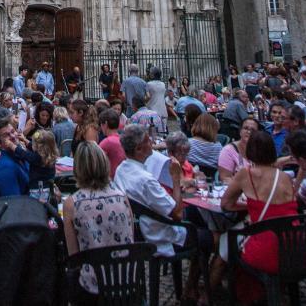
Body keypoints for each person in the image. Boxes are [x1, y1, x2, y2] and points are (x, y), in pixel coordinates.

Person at [114, 125, 213, 268]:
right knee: (213, 237)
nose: (152, 144)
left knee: (194, 213)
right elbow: (177, 214)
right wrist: (175, 178)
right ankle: (195, 283)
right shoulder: (145, 180)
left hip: (142, 232)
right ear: (139, 149)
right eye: (148, 141)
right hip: (163, 237)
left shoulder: (121, 170)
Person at [220, 130, 301, 301]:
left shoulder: (246, 173)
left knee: (225, 243)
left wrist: (250, 206)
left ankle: (213, 293)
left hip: (268, 252)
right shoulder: (285, 177)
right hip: (298, 247)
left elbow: (226, 204)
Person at [63, 142, 134, 304]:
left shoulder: (72, 203)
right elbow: (130, 239)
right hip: (126, 281)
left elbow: (74, 257)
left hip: (92, 288)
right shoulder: (122, 197)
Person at [0, 118, 29, 198]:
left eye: (13, 131)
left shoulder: (19, 154)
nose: (13, 136)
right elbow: (14, 205)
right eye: (6, 135)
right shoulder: (6, 168)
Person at [218, 117, 259, 183]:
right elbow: (225, 178)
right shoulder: (228, 150)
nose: (249, 132)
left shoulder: (260, 149)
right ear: (240, 131)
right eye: (246, 128)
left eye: (253, 130)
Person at [99, 108, 126, 177]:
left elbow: (96, 161)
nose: (100, 127)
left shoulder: (107, 142)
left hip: (111, 180)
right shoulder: (123, 139)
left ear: (105, 124)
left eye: (101, 124)